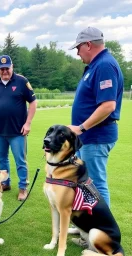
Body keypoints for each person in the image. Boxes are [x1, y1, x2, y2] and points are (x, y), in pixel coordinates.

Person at [67, 27, 124, 239]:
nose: (77, 53)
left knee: (96, 185)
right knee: (85, 184)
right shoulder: (96, 65)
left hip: (96, 137)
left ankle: (101, 232)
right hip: (88, 139)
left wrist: (81, 127)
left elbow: (108, 106)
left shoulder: (105, 65)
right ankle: (87, 227)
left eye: (79, 48)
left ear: (88, 44)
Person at [0, 55, 37, 201]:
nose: (5, 71)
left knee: (20, 161)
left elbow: (33, 103)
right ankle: (5, 183)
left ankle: (23, 188)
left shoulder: (22, 81)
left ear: (12, 67)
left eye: (7, 68)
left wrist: (28, 123)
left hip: (17, 132)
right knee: (2, 160)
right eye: (1, 69)